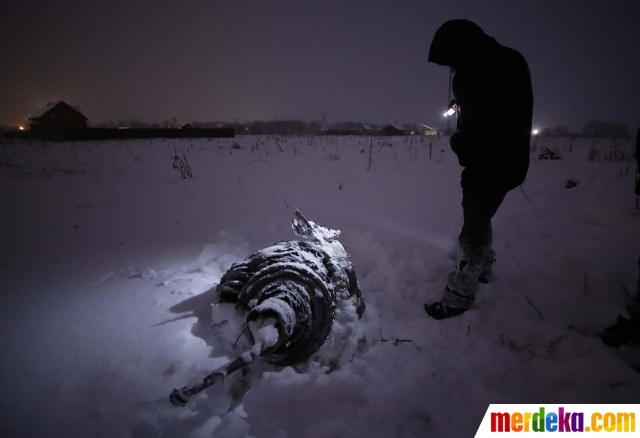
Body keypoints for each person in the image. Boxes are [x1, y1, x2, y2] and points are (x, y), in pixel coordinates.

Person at [425, 20, 534, 319]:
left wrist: (459, 143)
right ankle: (483, 269)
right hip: (513, 162)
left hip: (486, 165)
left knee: (472, 230)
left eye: (450, 63)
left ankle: (458, 297)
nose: (451, 70)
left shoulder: (472, 74)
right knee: (482, 216)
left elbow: (475, 129)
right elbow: (502, 105)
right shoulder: (511, 59)